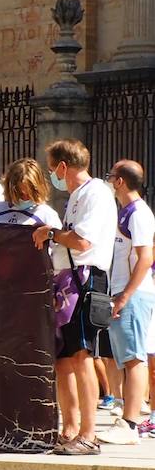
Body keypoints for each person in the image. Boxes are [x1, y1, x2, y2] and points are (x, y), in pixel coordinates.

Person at [31, 139, 117, 455]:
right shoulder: (77, 197)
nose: (53, 175)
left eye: (53, 169)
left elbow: (82, 242)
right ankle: (69, 427)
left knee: (82, 356)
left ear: (64, 167)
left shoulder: (96, 193)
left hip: (85, 280)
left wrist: (50, 233)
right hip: (68, 282)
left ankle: (89, 434)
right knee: (64, 359)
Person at [97, 160, 153, 444]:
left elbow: (146, 258)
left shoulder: (139, 214)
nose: (108, 181)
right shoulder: (126, 213)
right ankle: (127, 416)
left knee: (134, 359)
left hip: (133, 293)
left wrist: (125, 295)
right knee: (127, 358)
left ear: (119, 181)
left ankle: (130, 424)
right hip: (123, 292)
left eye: (110, 177)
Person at [0, 159, 63, 230]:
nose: (25, 198)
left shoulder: (48, 216)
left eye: (30, 194)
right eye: (19, 194)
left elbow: (56, 243)